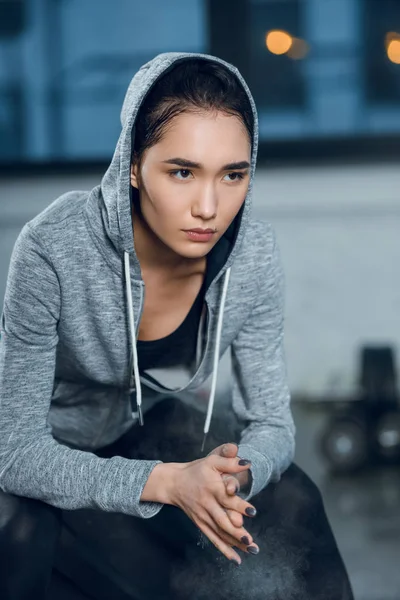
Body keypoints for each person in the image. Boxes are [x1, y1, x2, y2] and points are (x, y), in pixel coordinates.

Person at [0, 52, 353, 599]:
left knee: (293, 499)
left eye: (233, 175)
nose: (209, 207)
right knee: (18, 532)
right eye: (182, 172)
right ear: (134, 165)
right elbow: (16, 452)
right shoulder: (53, 247)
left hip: (143, 428)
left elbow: (274, 426)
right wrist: (167, 482)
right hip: (46, 444)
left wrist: (228, 480)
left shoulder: (253, 255)